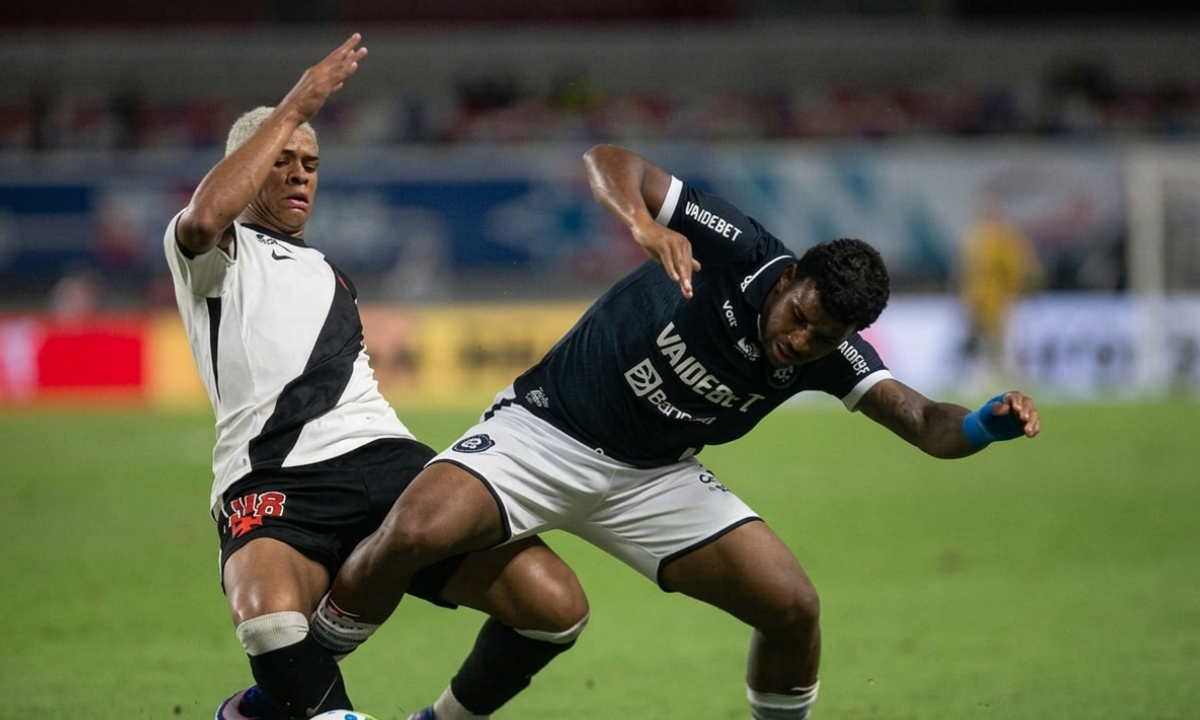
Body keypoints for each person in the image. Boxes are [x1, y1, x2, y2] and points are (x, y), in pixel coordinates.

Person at [322, 143, 1042, 720]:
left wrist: (984, 423)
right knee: (415, 530)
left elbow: (923, 422)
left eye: (824, 338)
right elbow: (610, 160)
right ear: (790, 278)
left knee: (793, 608)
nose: (801, 343)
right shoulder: (739, 247)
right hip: (544, 430)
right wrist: (643, 222)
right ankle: (295, 687)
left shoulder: (831, 354)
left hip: (652, 480)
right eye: (799, 317)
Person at [163, 34, 589, 720]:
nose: (302, 175)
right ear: (246, 167)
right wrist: (300, 101)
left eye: (311, 163)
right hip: (272, 479)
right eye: (282, 161)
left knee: (555, 606)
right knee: (269, 623)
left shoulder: (332, 275)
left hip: (387, 465)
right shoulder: (215, 255)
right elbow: (207, 214)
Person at [956, 192, 1043, 387]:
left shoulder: (1006, 237)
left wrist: (1017, 292)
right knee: (981, 340)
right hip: (979, 298)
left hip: (1001, 297)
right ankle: (982, 377)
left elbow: (1020, 268)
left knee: (1006, 340)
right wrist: (967, 297)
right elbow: (966, 271)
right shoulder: (975, 237)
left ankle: (1011, 376)